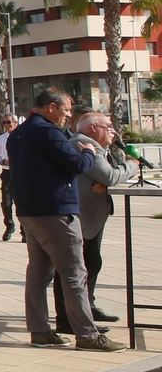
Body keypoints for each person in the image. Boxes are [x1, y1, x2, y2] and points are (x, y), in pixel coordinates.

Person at [6, 88, 123, 351]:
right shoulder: (48, 132)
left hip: (29, 211)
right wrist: (88, 152)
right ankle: (87, 335)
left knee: (38, 274)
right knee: (75, 274)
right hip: (56, 211)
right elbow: (76, 165)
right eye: (66, 110)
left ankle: (40, 331)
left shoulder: (18, 134)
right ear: (51, 107)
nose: (69, 115)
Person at [52, 111, 135, 332]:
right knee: (72, 267)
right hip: (79, 216)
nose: (113, 130)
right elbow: (109, 175)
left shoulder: (97, 146)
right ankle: (69, 318)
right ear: (93, 128)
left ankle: (87, 306)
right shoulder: (84, 143)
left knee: (92, 262)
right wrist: (132, 165)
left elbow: (105, 178)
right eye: (108, 126)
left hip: (90, 215)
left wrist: (108, 183)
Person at [0, 114, 19, 241]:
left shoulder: (22, 137)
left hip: (20, 173)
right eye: (4, 123)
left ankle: (25, 231)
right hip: (7, 173)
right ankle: (9, 226)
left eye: (9, 122)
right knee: (6, 203)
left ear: (15, 123)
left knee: (21, 202)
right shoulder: (0, 140)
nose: (6, 125)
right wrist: (5, 162)